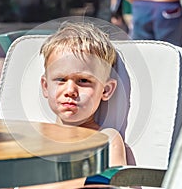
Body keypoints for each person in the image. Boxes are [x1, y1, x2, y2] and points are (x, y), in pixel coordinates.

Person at [19, 22, 128, 188]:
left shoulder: (106, 140)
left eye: (83, 81)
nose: (70, 90)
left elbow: (110, 185)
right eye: (61, 80)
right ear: (46, 86)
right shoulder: (32, 139)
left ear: (105, 90)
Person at [116, 0, 182, 47]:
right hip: (167, 3)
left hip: (141, 4)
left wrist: (134, 2)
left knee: (142, 51)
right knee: (172, 52)